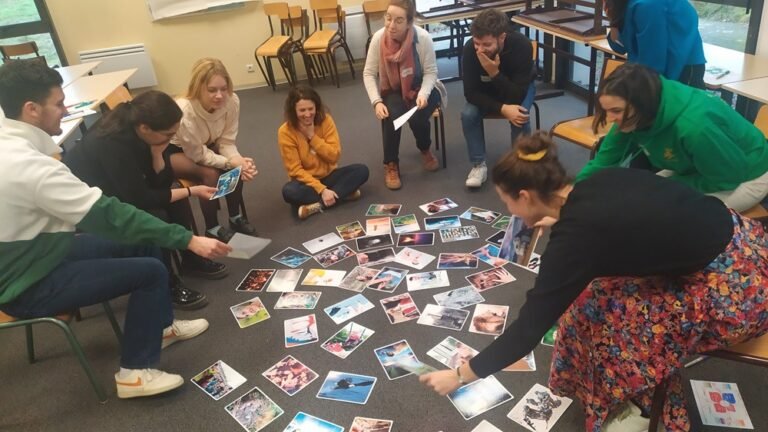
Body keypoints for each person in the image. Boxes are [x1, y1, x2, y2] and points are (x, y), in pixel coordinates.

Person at [419, 133, 768, 431]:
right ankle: (615, 389)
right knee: (591, 299)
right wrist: (558, 221)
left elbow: (529, 329)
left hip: (738, 292)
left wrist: (461, 375)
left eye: (506, 201)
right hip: (751, 243)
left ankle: (641, 407)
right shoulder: (597, 182)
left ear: (525, 195)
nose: (510, 210)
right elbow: (628, 219)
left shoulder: (575, 239)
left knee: (608, 326)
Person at [0, 60, 232, 398]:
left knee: (146, 244)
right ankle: (134, 373)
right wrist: (189, 240)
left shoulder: (11, 141)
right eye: (59, 104)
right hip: (26, 279)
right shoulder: (29, 166)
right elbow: (111, 215)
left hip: (44, 248)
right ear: (31, 109)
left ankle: (161, 327)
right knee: (150, 272)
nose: (66, 111)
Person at [65, 90, 228, 310]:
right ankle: (166, 280)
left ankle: (190, 259)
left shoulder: (144, 135)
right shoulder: (113, 143)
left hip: (122, 190)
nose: (171, 139)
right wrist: (192, 191)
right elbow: (139, 200)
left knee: (176, 197)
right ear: (145, 128)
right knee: (156, 214)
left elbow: (159, 183)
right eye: (168, 135)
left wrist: (158, 154)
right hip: (93, 205)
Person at [578, 63, 768, 212]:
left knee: (665, 215)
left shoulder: (695, 127)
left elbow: (728, 178)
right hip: (701, 166)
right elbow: (604, 161)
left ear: (642, 104)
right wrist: (573, 191)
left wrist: (668, 186)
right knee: (643, 200)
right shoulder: (636, 112)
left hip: (747, 174)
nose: (610, 119)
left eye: (616, 111)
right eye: (607, 111)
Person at [168, 58, 259, 242]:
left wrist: (237, 161)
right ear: (198, 87)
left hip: (208, 144)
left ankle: (234, 217)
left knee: (236, 168)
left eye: (223, 89)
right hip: (176, 151)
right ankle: (212, 227)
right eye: (212, 90)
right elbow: (196, 154)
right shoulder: (185, 110)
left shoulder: (232, 101)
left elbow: (226, 140)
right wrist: (227, 161)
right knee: (210, 174)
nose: (219, 95)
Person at [363, 0, 447, 190]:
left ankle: (424, 148)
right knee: (393, 115)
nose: (391, 25)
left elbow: (431, 72)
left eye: (399, 20)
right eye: (388, 18)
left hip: (424, 86)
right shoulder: (378, 39)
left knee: (418, 116)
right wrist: (376, 102)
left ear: (409, 22)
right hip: (394, 88)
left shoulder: (423, 38)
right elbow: (368, 73)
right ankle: (391, 163)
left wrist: (424, 94)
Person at [461, 8, 536, 188]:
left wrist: (494, 72)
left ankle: (521, 167)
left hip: (518, 89)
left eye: (486, 45)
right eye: (477, 43)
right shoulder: (470, 49)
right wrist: (502, 108)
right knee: (468, 114)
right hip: (485, 92)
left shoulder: (522, 45)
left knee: (520, 114)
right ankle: (478, 165)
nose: (480, 50)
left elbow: (517, 94)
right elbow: (470, 93)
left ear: (502, 37)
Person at [278, 85, 369, 220]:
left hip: (329, 175)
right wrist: (322, 189)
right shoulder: (285, 132)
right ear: (293, 111)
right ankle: (343, 194)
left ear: (317, 107)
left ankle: (316, 206)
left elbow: (334, 156)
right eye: (302, 110)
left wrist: (312, 137)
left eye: (311, 109)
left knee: (362, 170)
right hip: (306, 182)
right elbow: (295, 170)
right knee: (289, 192)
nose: (308, 114)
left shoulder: (326, 120)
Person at [604, 0, 706, 88]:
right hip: (654, 66)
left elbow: (653, 64)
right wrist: (614, 18)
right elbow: (620, 46)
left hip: (681, 66)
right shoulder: (624, 4)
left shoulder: (648, 5)